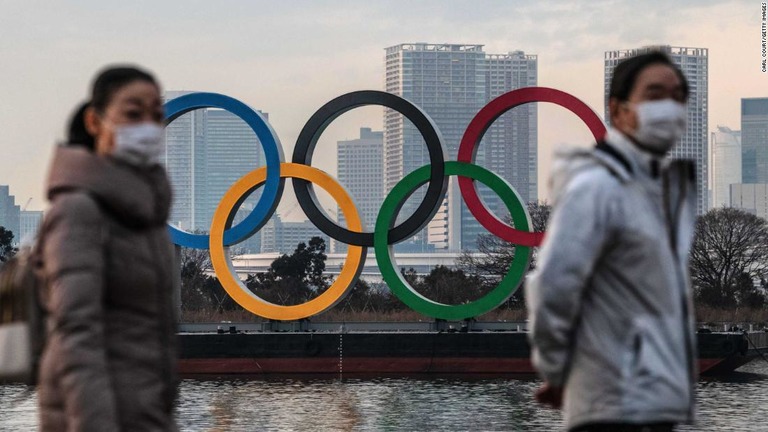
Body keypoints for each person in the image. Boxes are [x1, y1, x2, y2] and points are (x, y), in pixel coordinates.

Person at [526, 51, 696, 432]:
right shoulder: (596, 187)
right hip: (612, 408)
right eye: (654, 95)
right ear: (618, 111)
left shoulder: (656, 194)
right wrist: (559, 371)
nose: (669, 107)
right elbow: (553, 284)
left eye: (678, 96)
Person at [37, 66, 178, 431]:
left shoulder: (144, 219)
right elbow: (77, 337)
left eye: (156, 116)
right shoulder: (79, 211)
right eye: (132, 114)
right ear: (95, 121)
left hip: (144, 415)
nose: (148, 127)